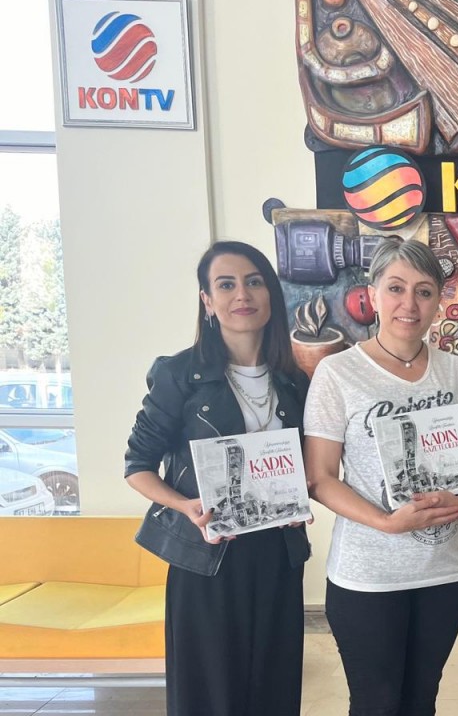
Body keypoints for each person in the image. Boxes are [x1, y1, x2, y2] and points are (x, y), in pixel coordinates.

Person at [303, 239, 458, 716]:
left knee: (421, 700)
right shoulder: (337, 372)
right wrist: (387, 523)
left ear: (438, 301)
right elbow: (320, 477)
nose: (409, 303)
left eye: (424, 291)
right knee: (376, 703)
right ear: (372, 294)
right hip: (368, 574)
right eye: (396, 288)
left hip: (446, 568)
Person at [125, 241, 310, 716]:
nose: (241, 294)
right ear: (207, 301)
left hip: (278, 555)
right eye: (226, 285)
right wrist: (185, 507)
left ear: (271, 294)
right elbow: (137, 466)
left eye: (254, 282)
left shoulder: (294, 380)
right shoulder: (178, 375)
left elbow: (308, 463)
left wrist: (300, 497)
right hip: (206, 558)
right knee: (209, 696)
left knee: (274, 689)